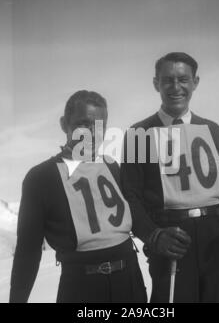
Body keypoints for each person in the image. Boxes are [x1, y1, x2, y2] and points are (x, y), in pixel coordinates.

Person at [120, 52, 219, 303]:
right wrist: (153, 235)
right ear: (156, 83)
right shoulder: (139, 133)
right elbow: (130, 196)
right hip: (172, 242)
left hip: (218, 240)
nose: (175, 87)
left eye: (183, 79)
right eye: (167, 80)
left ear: (195, 82)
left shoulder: (212, 129)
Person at [9, 90, 147, 303]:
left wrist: (157, 236)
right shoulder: (41, 177)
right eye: (82, 124)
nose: (91, 132)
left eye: (99, 125)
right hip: (81, 288)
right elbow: (28, 251)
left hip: (129, 282)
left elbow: (136, 216)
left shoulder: (112, 166)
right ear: (64, 124)